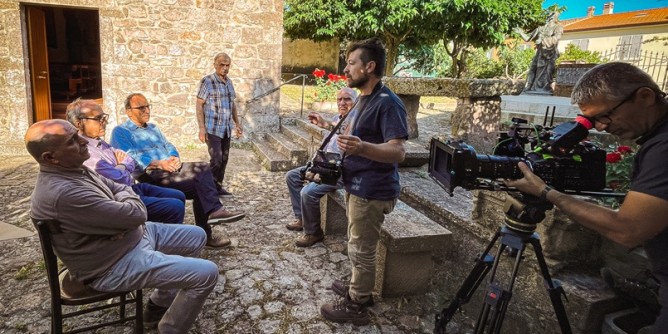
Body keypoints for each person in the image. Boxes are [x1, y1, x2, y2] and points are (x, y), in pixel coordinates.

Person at [505, 62, 668, 334]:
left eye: (606, 116)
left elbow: (627, 230)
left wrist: (546, 192)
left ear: (645, 97)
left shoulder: (663, 148)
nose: (602, 128)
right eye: (594, 122)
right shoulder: (657, 140)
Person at [27, 119, 219, 334]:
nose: (83, 141)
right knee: (207, 273)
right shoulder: (63, 192)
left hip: (129, 238)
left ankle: (159, 303)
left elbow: (119, 185)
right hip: (112, 265)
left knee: (197, 235)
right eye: (72, 140)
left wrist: (123, 202)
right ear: (50, 157)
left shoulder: (76, 169)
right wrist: (125, 202)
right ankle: (169, 330)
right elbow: (136, 212)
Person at [319, 38, 408, 325]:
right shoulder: (363, 98)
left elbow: (398, 151)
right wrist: (327, 127)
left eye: (352, 63)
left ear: (369, 67)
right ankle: (360, 286)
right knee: (356, 243)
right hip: (356, 184)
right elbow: (353, 133)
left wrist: (362, 148)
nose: (346, 68)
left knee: (362, 248)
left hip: (372, 190)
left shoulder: (388, 103)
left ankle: (358, 304)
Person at [110, 93, 246, 249]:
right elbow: (129, 157)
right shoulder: (121, 131)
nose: (146, 110)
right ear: (129, 111)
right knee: (199, 185)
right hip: (151, 175)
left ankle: (211, 218)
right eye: (141, 108)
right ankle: (210, 221)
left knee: (203, 167)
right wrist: (158, 163)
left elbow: (168, 145)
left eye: (148, 106)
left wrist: (174, 157)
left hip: (170, 168)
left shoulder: (153, 128)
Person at [65, 98, 187, 225]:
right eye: (98, 119)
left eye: (104, 117)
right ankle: (155, 238)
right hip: (117, 198)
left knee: (178, 195)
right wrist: (122, 165)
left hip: (130, 188)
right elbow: (118, 179)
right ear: (78, 124)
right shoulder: (85, 151)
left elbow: (130, 160)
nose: (104, 122)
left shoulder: (100, 142)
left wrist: (121, 166)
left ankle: (161, 232)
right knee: (174, 206)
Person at [285, 87, 358, 247]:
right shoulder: (336, 118)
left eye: (347, 99)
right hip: (324, 165)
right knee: (292, 176)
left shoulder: (355, 121)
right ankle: (302, 218)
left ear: (355, 102)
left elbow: (346, 135)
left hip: (339, 171)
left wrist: (326, 123)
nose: (342, 103)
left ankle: (314, 233)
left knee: (308, 192)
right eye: (339, 99)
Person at [196, 52, 242, 197]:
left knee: (224, 159)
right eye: (222, 64)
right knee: (216, 160)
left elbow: (232, 104)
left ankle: (217, 187)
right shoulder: (207, 81)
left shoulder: (229, 82)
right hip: (212, 128)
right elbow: (199, 104)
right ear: (215, 65)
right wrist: (202, 128)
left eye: (227, 65)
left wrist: (237, 123)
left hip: (226, 129)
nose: (225, 68)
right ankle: (205, 188)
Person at [518, 10, 563, 94]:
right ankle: (529, 87)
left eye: (552, 16)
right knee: (533, 68)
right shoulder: (540, 28)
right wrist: (520, 32)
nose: (549, 17)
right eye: (549, 15)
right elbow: (528, 38)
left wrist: (542, 41)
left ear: (555, 18)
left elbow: (557, 38)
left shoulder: (558, 27)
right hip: (539, 52)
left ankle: (542, 88)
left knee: (545, 71)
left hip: (548, 53)